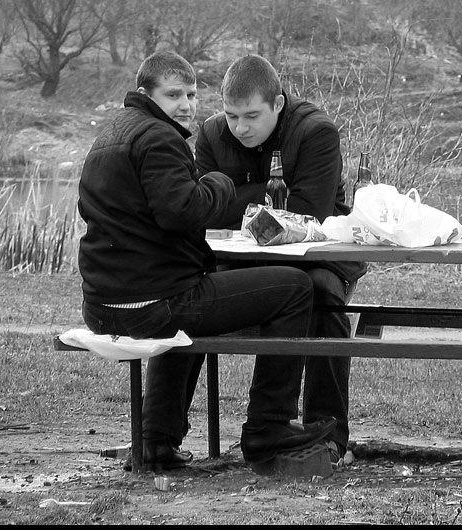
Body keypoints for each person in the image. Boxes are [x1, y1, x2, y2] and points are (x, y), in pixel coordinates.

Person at [77, 50, 336, 471]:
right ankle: (267, 429)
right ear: (147, 93)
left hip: (104, 304)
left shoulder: (112, 132)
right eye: (173, 94)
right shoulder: (160, 139)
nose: (186, 104)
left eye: (192, 93)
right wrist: (217, 183)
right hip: (155, 304)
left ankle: (155, 440)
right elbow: (184, 211)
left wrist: (220, 193)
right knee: (295, 287)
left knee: (188, 298)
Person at [195, 54, 367, 467]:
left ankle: (327, 434)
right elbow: (201, 209)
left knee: (322, 300)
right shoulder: (211, 134)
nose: (240, 127)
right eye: (232, 116)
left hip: (319, 255)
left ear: (278, 103)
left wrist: (237, 196)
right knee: (190, 291)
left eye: (252, 115)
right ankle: (167, 434)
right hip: (237, 257)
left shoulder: (316, 132)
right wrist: (268, 197)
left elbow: (311, 211)